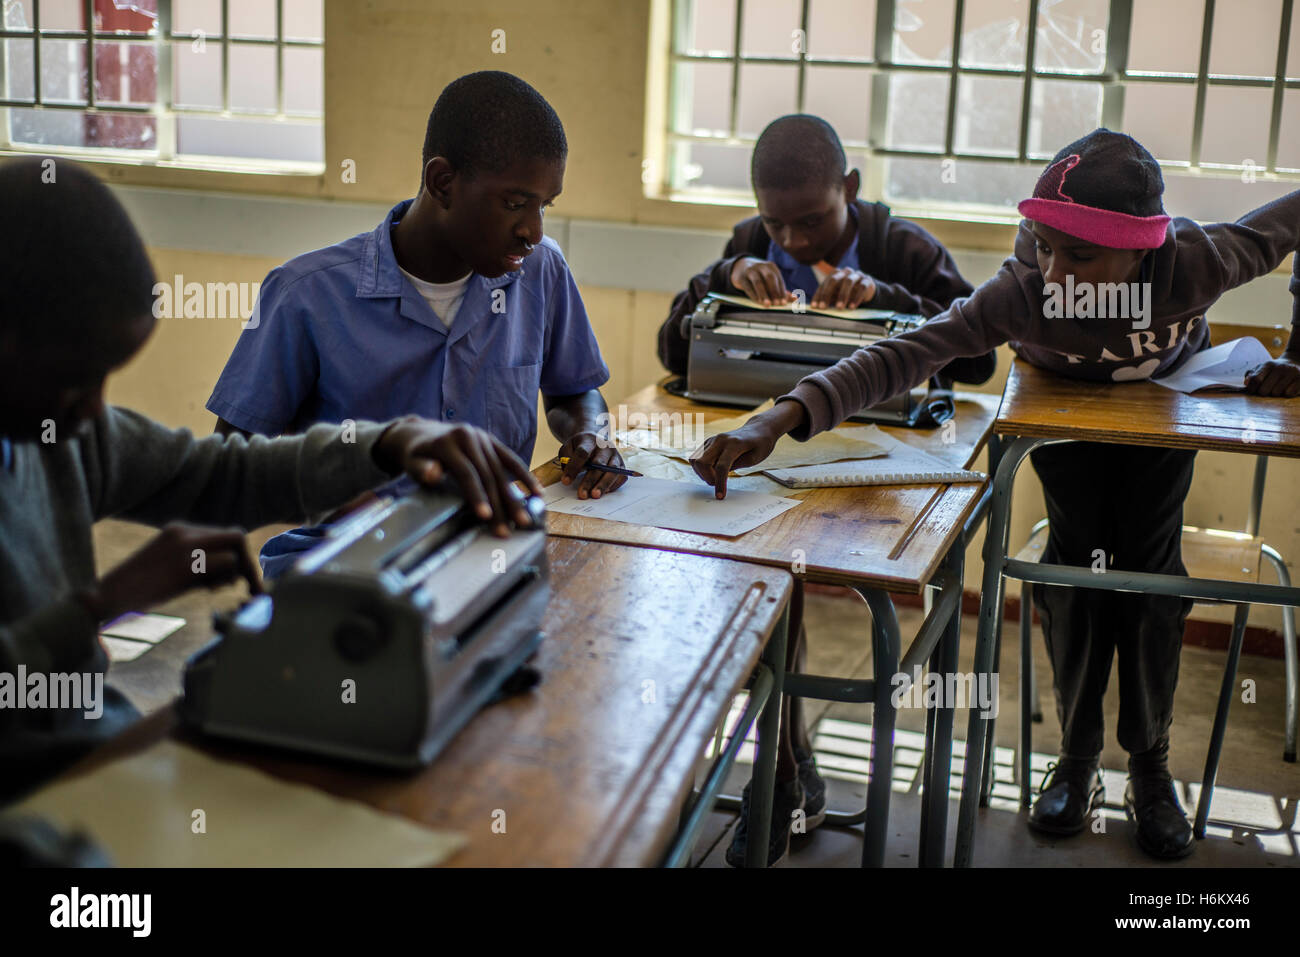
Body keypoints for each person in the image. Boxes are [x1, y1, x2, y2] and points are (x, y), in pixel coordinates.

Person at [690, 129, 1300, 861]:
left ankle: (1149, 766)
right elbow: (908, 352)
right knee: (1075, 577)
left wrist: (1296, 350)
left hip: (1158, 417)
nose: (1052, 269)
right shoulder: (1024, 289)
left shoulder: (1198, 263)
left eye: (1078, 255)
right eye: (1042, 243)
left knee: (1151, 583)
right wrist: (782, 414)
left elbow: (1291, 219)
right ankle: (1077, 760)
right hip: (1063, 421)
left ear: (1142, 247)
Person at [0, 157, 542, 801]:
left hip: (90, 747)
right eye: (74, 377)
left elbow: (217, 471)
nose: (93, 409)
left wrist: (388, 443)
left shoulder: (59, 435)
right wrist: (103, 603)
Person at [206, 71, 625, 576]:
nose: (532, 230)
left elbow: (573, 391)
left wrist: (589, 433)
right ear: (443, 182)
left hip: (491, 554)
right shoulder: (307, 296)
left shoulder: (541, 271)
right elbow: (231, 463)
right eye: (515, 204)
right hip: (353, 573)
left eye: (544, 206)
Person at [656, 113, 996, 389]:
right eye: (774, 222)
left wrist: (886, 299)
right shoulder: (751, 245)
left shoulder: (905, 250)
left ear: (849, 188)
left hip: (884, 434)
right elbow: (672, 356)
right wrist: (725, 276)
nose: (793, 241)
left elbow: (979, 366)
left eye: (812, 221)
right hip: (770, 427)